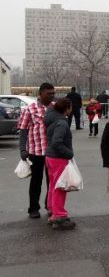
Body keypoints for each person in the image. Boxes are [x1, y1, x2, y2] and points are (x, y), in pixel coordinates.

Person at [18, 82, 55, 219]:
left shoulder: (55, 108)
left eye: (53, 93)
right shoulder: (29, 109)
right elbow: (23, 130)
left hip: (53, 153)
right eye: (48, 93)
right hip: (36, 152)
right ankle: (33, 208)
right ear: (40, 94)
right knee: (36, 181)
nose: (51, 96)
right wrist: (22, 149)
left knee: (52, 181)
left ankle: (50, 205)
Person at [44, 98, 76, 230]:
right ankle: (59, 215)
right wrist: (69, 153)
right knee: (60, 187)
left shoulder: (52, 120)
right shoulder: (62, 123)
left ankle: (53, 211)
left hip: (50, 157)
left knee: (53, 185)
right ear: (67, 108)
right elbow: (57, 142)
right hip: (58, 158)